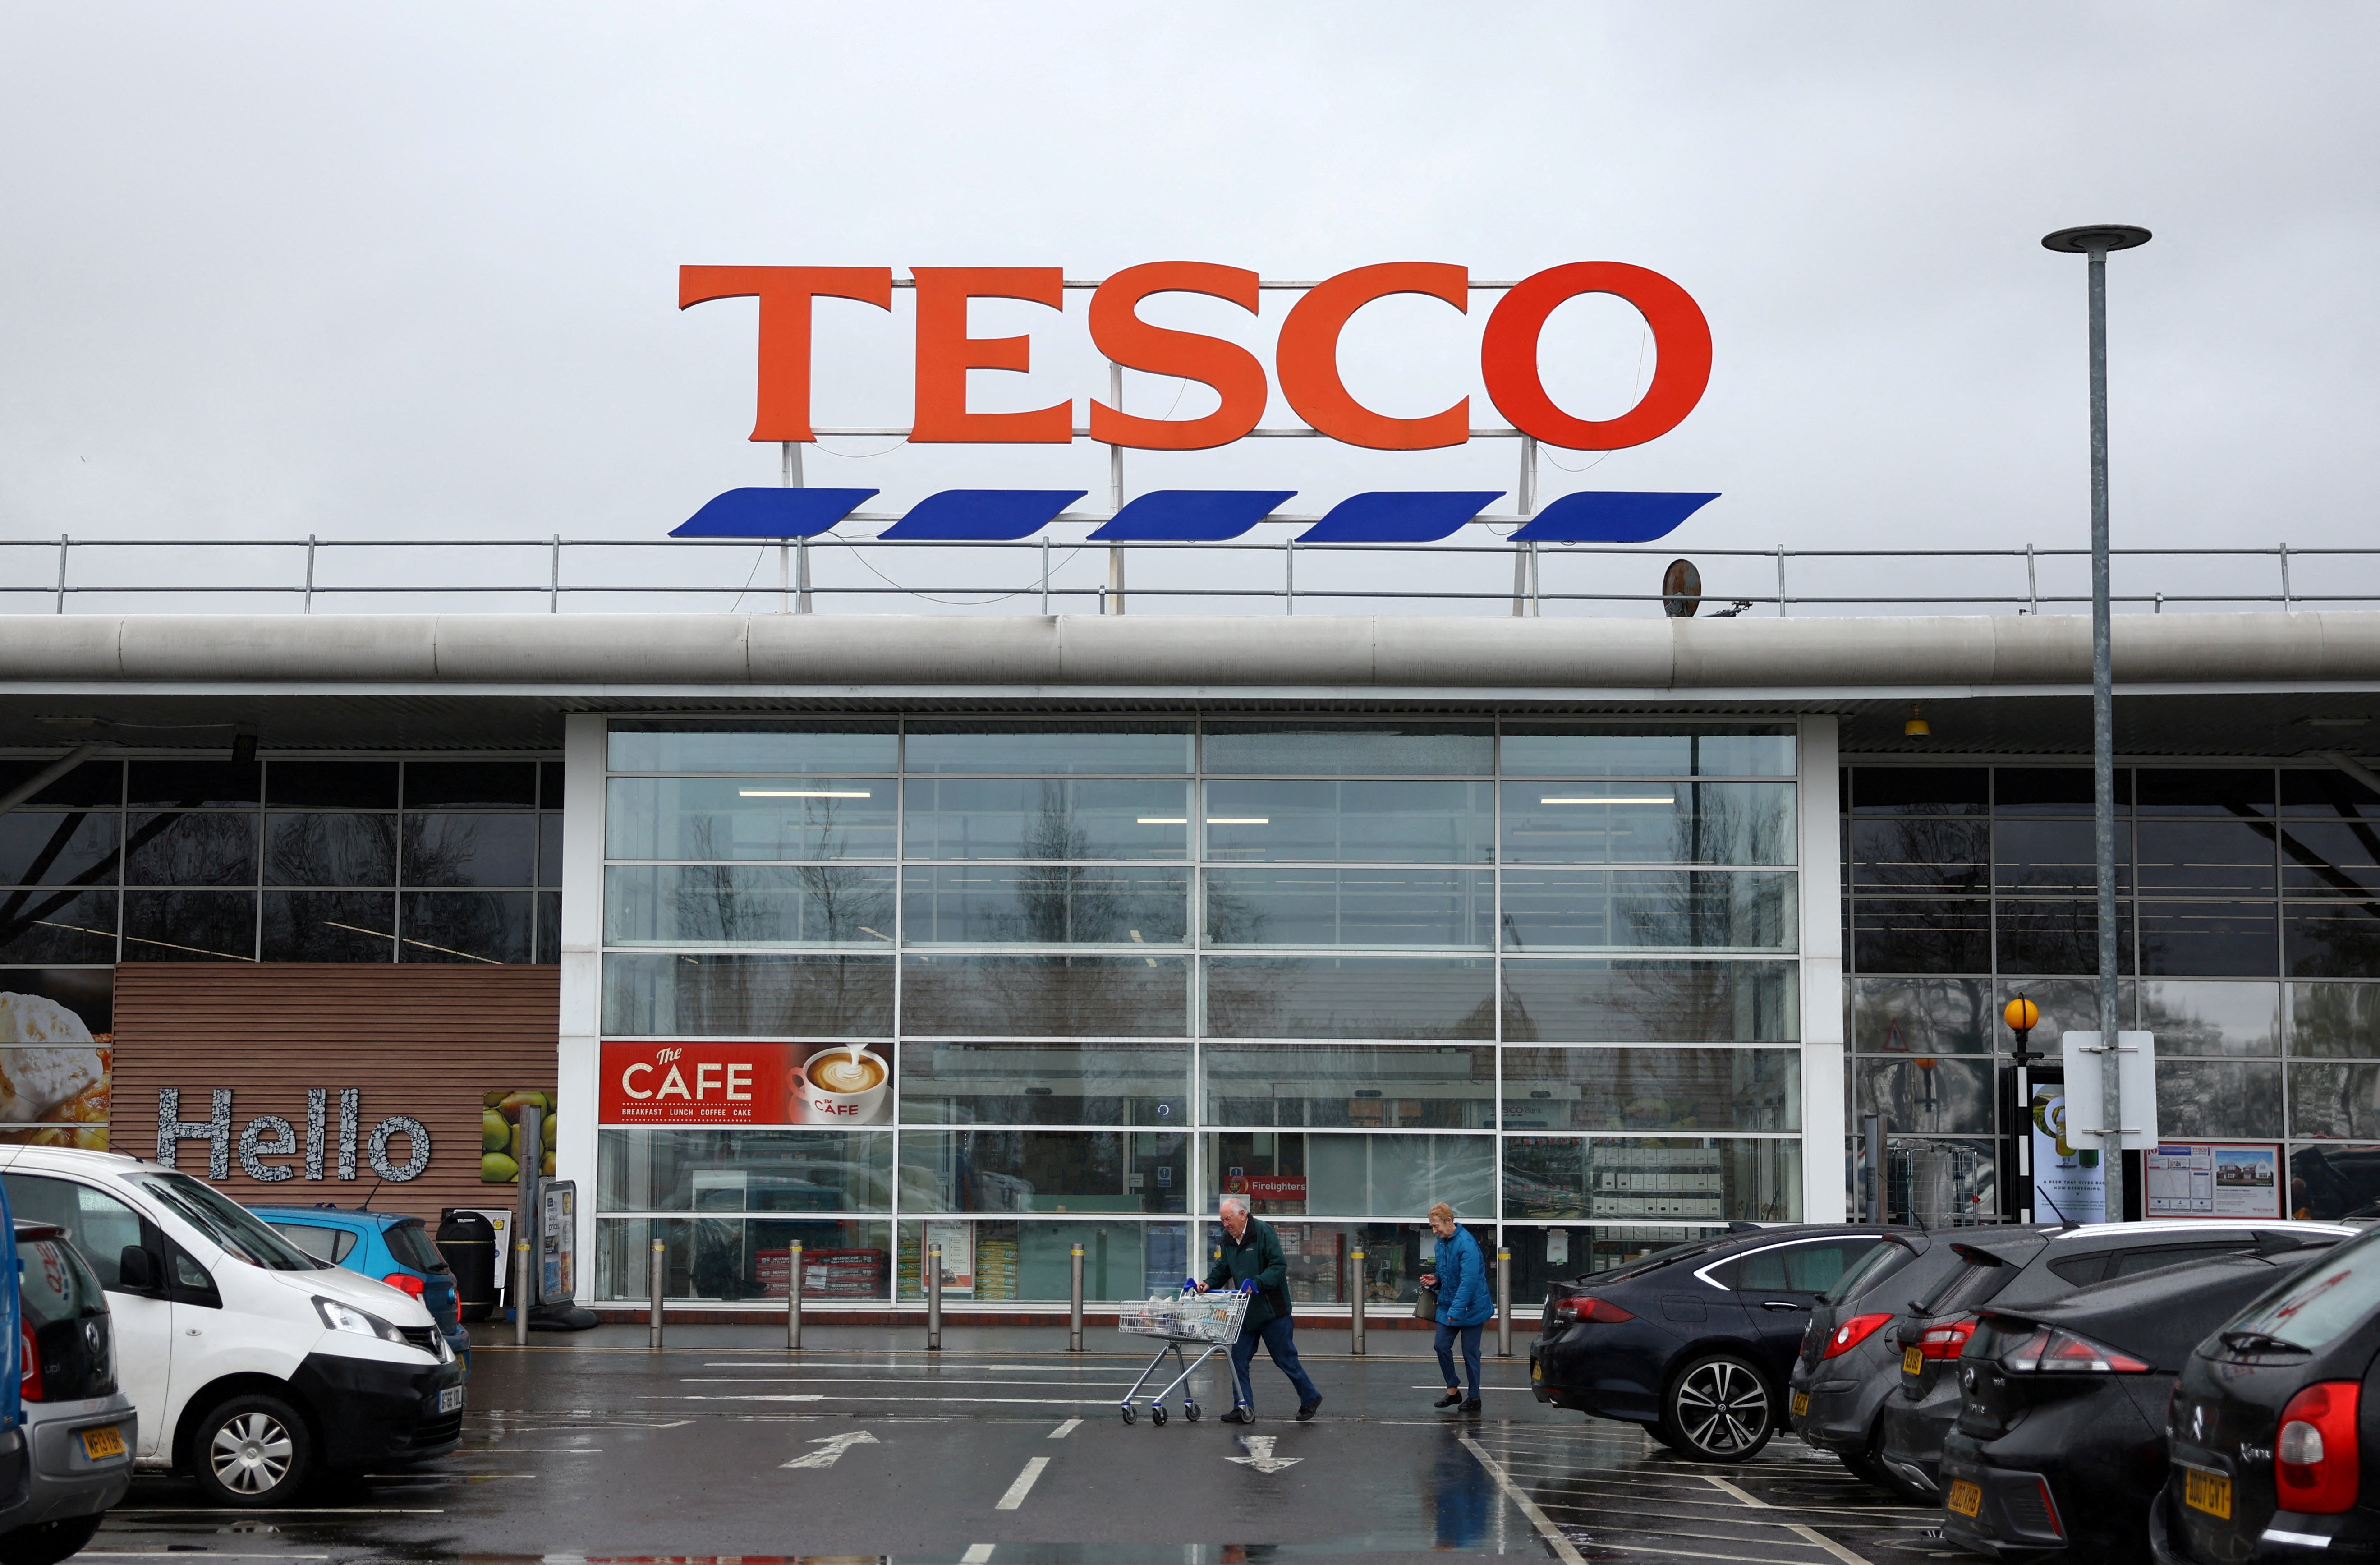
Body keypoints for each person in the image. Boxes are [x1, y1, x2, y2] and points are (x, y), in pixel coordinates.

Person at [1198, 1194, 1321, 1424]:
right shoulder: (1228, 1238)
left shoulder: (1264, 1232)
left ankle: (1311, 1397)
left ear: (1242, 1215)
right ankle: (1243, 1407)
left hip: (1272, 1310)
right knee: (1238, 1360)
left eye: (1228, 1220)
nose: (1225, 1225)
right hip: (1245, 1312)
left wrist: (1257, 1282)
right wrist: (1208, 1283)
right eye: (1222, 1220)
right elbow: (1224, 1267)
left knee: (1285, 1359)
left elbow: (1278, 1266)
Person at [1418, 1201, 1491, 1413]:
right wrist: (1436, 1279)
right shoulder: (1441, 1242)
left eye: (1436, 1226)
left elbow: (1468, 1283)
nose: (1434, 1231)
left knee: (1470, 1353)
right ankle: (1453, 1391)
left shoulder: (1467, 1245)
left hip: (1471, 1308)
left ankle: (1475, 1398)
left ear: (1449, 1221)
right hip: (1450, 1305)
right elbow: (1448, 1274)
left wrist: (1456, 1311)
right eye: (1432, 1227)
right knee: (1441, 1346)